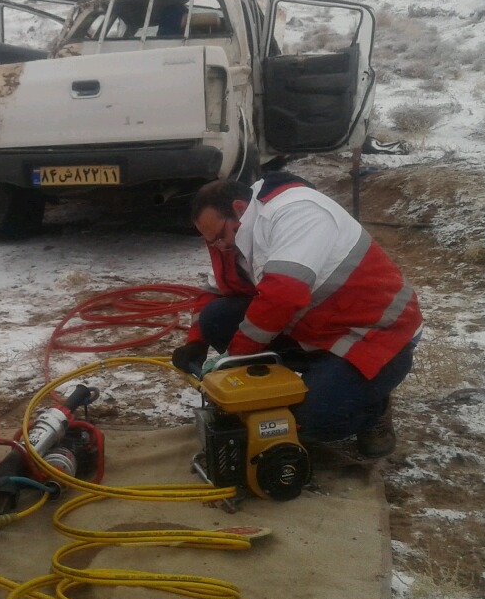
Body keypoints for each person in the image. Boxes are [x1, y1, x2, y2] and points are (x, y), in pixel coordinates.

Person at [174, 172, 422, 459]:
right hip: (314, 327)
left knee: (311, 422)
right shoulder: (237, 232)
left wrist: (236, 355)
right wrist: (196, 342)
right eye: (212, 242)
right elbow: (214, 291)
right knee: (216, 318)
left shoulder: (298, 212)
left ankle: (374, 408)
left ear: (239, 209)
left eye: (219, 238)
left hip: (374, 336)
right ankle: (300, 384)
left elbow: (284, 295)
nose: (220, 247)